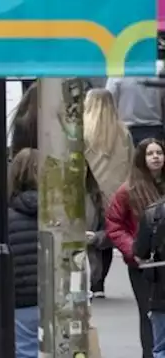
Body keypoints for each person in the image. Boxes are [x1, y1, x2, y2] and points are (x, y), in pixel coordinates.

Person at [106, 137, 165, 357]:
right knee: (149, 313)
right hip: (144, 266)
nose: (156, 157)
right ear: (141, 159)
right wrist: (133, 250)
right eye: (150, 154)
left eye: (159, 152)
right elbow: (115, 225)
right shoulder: (127, 191)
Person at [85, 87, 133, 297]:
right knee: (106, 237)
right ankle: (99, 284)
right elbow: (131, 163)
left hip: (89, 191)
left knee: (87, 236)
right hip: (115, 192)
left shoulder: (81, 131)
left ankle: (91, 280)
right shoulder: (123, 132)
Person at [6, 148, 41, 356]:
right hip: (54, 295)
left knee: (25, 350)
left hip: (21, 296)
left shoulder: (6, 216)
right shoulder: (58, 211)